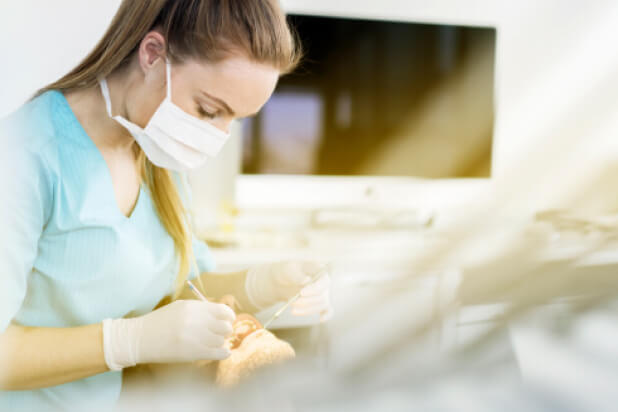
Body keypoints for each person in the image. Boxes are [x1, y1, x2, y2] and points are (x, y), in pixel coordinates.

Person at [0, 1, 332, 410]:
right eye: (210, 110)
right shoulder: (25, 155)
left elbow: (181, 289)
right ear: (153, 54)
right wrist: (128, 341)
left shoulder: (156, 152)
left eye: (235, 121)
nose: (217, 137)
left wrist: (261, 284)